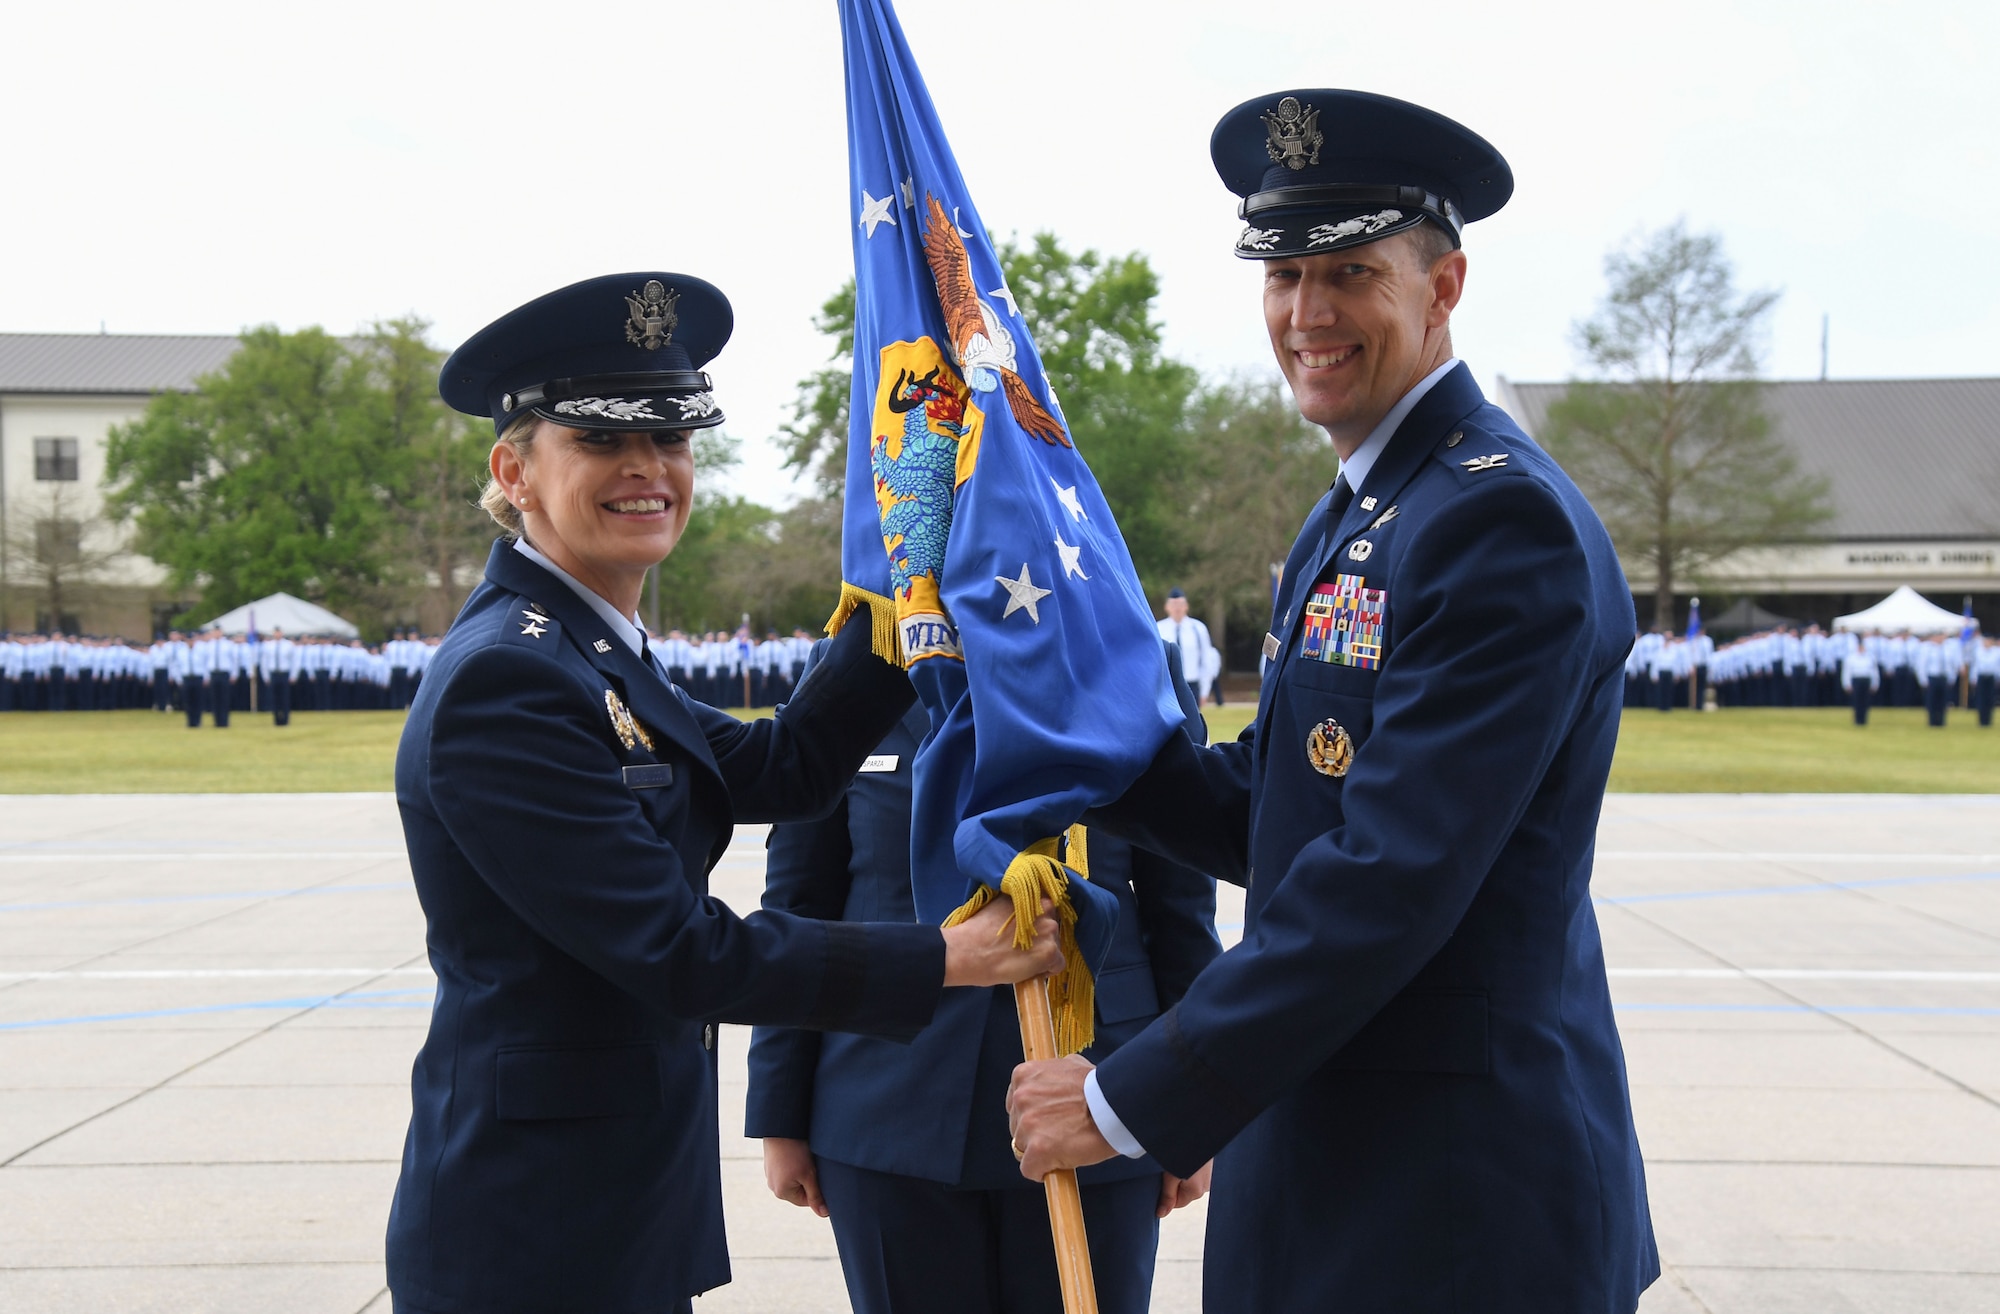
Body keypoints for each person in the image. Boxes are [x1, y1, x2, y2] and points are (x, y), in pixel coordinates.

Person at [1005, 90, 1656, 1312]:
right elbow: (1281, 799)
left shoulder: (1491, 520)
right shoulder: (1361, 507)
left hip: (1453, 1197)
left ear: (1441, 284)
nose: (1305, 314)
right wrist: (1070, 732)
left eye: (1349, 272)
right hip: (1336, 1161)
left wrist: (1121, 1097)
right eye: (1281, 275)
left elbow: (1386, 874)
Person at [386, 272, 1062, 1314]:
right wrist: (946, 958)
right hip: (530, 1229)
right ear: (512, 470)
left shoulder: (588, 653)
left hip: (609, 1205)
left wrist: (901, 572)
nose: (647, 469)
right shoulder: (508, 679)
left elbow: (781, 768)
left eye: (672, 440)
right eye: (603, 442)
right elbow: (678, 952)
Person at [748, 640, 1221, 1314]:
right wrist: (780, 1115)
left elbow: (1182, 911)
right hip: (886, 1108)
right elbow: (800, 901)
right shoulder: (857, 660)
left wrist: (1187, 1110)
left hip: (1099, 1094)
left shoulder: (1125, 652)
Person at [1156, 588, 1219, 706]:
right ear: (1167, 607)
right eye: (1173, 604)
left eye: (1180, 604)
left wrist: (1204, 691)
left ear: (1186, 606)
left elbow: (1206, 659)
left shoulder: (1198, 628)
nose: (1177, 608)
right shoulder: (1159, 629)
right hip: (1168, 685)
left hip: (1191, 684)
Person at [1841, 636, 1879, 726]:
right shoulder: (1851, 658)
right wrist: (1847, 683)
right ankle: (1857, 719)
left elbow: (1874, 671)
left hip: (1866, 679)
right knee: (1856, 701)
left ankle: (1864, 720)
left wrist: (1875, 683)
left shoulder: (1870, 657)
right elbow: (1847, 672)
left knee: (1865, 701)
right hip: (1856, 679)